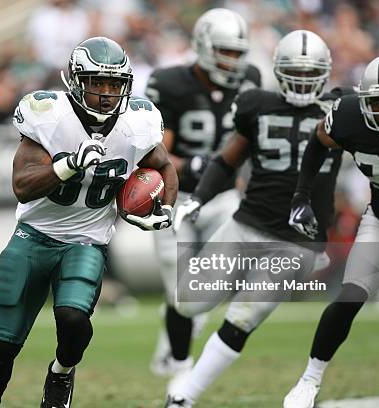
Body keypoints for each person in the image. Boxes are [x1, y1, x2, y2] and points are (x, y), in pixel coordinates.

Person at [0, 36, 178, 408]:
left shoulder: (138, 123)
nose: (105, 93)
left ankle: (61, 373)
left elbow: (164, 167)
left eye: (114, 84)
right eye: (97, 82)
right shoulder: (49, 116)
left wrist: (163, 210)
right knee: (3, 344)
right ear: (76, 81)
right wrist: (68, 164)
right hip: (34, 236)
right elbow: (22, 186)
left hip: (86, 240)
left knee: (72, 319)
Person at [167, 30, 344, 407]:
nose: (302, 80)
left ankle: (183, 396)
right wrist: (198, 198)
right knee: (187, 302)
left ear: (326, 72)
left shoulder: (339, 111)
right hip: (246, 223)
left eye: (310, 72)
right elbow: (228, 160)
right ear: (278, 72)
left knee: (242, 316)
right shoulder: (256, 105)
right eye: (294, 72)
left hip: (297, 239)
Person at [284, 54, 379, 408]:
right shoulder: (348, 117)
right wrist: (301, 194)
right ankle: (309, 380)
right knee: (349, 296)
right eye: (377, 103)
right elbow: (319, 141)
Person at [144, 7, 261, 380]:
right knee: (180, 289)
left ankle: (176, 348)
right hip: (172, 195)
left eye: (238, 52)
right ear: (203, 47)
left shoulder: (250, 81)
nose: (233, 60)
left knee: (220, 276)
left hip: (221, 196)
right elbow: (153, 154)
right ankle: (177, 362)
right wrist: (192, 164)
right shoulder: (170, 83)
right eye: (225, 51)